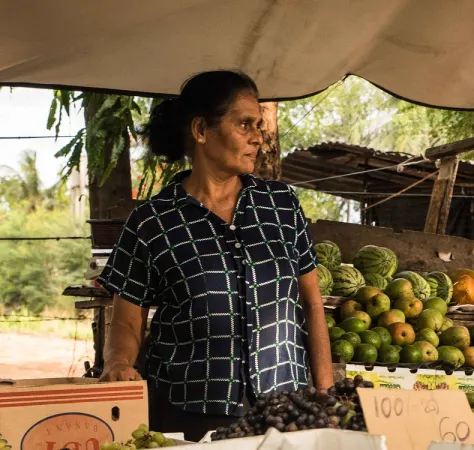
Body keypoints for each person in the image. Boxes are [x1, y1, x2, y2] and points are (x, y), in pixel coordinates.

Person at [96, 70, 333, 440]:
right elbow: (127, 320)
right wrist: (119, 362)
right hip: (189, 412)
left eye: (259, 125)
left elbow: (312, 303)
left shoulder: (281, 205)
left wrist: (325, 394)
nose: (258, 137)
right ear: (201, 130)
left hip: (285, 408)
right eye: (244, 124)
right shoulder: (153, 221)